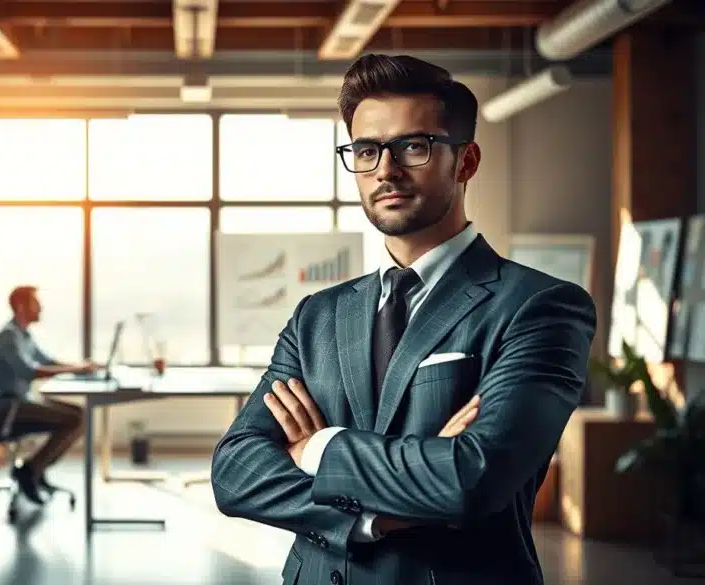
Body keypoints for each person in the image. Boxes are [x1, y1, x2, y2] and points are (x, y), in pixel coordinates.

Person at [211, 54, 596, 585]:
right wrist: (375, 517)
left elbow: (470, 477)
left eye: (413, 146)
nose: (385, 170)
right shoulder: (317, 316)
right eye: (367, 151)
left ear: (466, 162)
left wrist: (319, 447)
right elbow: (235, 473)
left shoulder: (541, 306)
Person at [0, 285, 100, 505]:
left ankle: (37, 468)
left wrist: (80, 367)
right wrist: (75, 370)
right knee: (76, 419)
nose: (40, 308)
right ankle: (32, 470)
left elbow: (47, 362)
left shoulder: (24, 335)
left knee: (79, 415)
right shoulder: (9, 337)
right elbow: (30, 371)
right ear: (20, 306)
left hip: (19, 403)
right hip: (5, 408)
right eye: (35, 303)